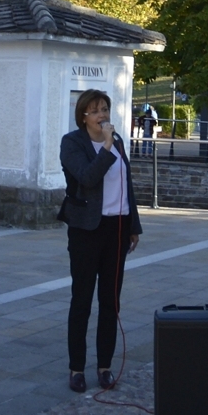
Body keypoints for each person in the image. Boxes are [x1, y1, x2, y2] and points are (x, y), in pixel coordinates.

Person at [58, 89, 142, 393]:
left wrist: (133, 225)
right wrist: (106, 146)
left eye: (105, 109)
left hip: (116, 228)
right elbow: (88, 177)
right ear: (83, 116)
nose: (102, 115)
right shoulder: (73, 143)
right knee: (82, 300)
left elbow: (126, 184)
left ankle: (104, 366)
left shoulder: (117, 142)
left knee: (111, 301)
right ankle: (76, 368)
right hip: (86, 230)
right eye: (95, 111)